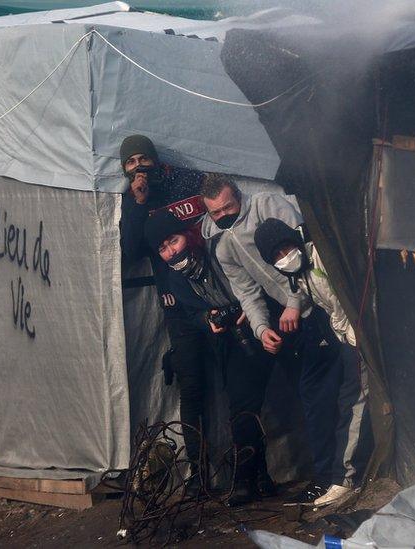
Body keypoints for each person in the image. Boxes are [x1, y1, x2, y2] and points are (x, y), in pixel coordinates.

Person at [199, 174, 351, 507]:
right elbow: (248, 293)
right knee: (315, 394)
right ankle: (331, 475)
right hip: (298, 318)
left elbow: (306, 251)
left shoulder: (267, 204)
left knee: (334, 389)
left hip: (322, 302)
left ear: (239, 197)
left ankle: (339, 475)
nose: (224, 215)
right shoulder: (222, 244)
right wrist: (260, 329)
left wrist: (294, 302)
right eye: (216, 213)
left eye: (229, 207)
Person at [143, 209, 276, 506]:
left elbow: (258, 279)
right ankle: (247, 477)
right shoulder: (175, 280)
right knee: (240, 404)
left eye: (173, 241)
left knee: (259, 399)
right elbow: (191, 314)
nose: (171, 251)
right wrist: (208, 318)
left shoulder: (219, 249)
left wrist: (247, 306)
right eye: (162, 248)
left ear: (187, 234)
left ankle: (254, 476)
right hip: (230, 338)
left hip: (263, 319)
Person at [117, 135, 214, 492]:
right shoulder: (134, 200)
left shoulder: (185, 181)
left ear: (156, 160)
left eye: (144, 159)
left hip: (215, 296)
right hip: (177, 307)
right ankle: (199, 477)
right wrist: (139, 202)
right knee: (191, 389)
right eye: (130, 162)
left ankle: (246, 471)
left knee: (235, 383)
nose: (139, 166)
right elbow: (132, 251)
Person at [254, 218, 368, 507]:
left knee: (351, 402)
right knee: (341, 401)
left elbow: (348, 297)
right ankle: (337, 477)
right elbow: (322, 305)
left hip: (360, 337)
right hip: (346, 338)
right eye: (276, 256)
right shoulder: (299, 276)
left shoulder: (320, 255)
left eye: (287, 248)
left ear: (296, 241)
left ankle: (346, 480)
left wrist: (355, 341)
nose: (284, 257)